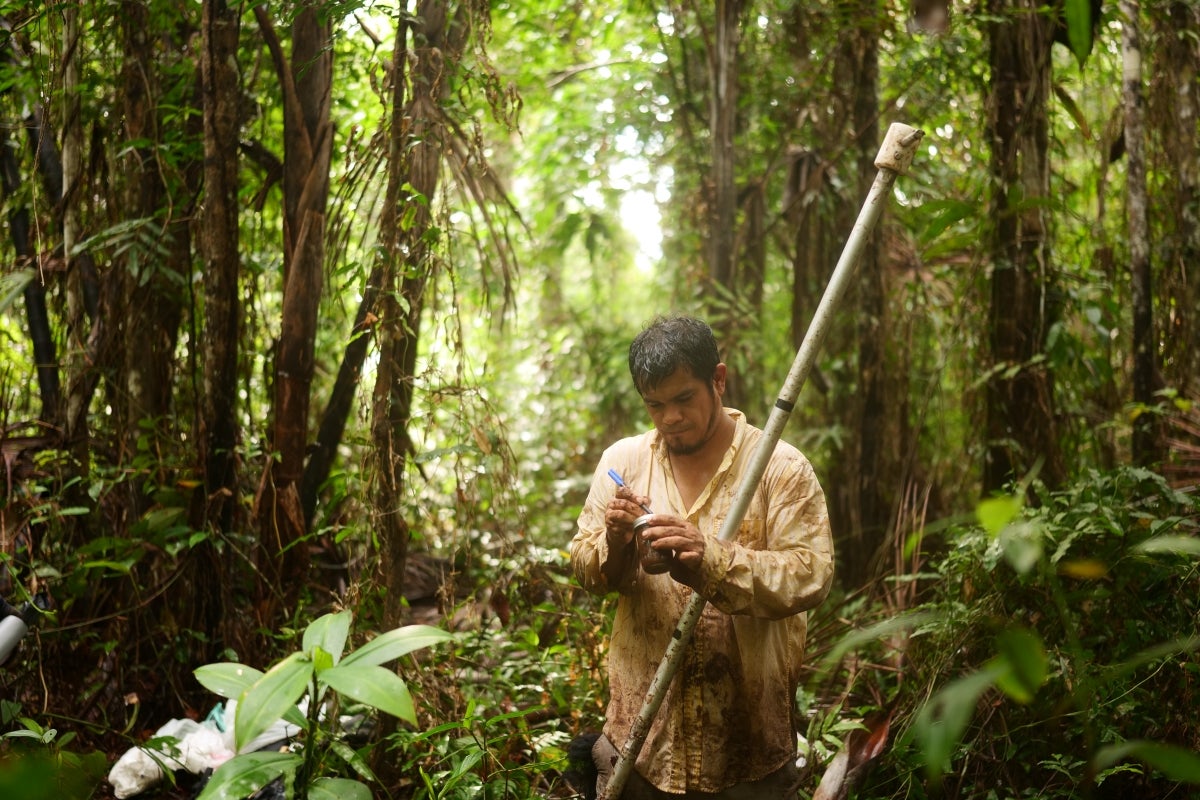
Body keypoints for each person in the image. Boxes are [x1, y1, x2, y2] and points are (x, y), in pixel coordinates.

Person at [570, 315, 835, 800]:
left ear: (718, 380)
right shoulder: (623, 463)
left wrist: (709, 559)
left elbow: (811, 574)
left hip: (749, 746)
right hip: (643, 744)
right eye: (655, 405)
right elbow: (586, 568)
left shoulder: (779, 466)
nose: (670, 417)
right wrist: (617, 541)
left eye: (683, 399)